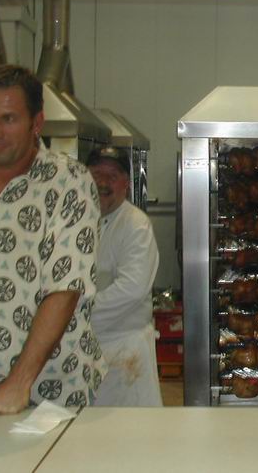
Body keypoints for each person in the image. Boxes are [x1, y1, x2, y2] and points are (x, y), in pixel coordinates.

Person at [0, 64, 106, 414]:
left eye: (8, 119)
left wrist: (18, 383)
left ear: (36, 123)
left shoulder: (69, 182)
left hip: (50, 392)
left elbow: (65, 287)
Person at [86, 146, 162, 406]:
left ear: (126, 184)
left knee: (131, 427)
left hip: (124, 351)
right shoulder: (76, 219)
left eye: (112, 176)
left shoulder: (135, 224)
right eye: (97, 174)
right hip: (84, 348)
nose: (103, 182)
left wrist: (77, 317)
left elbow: (132, 289)